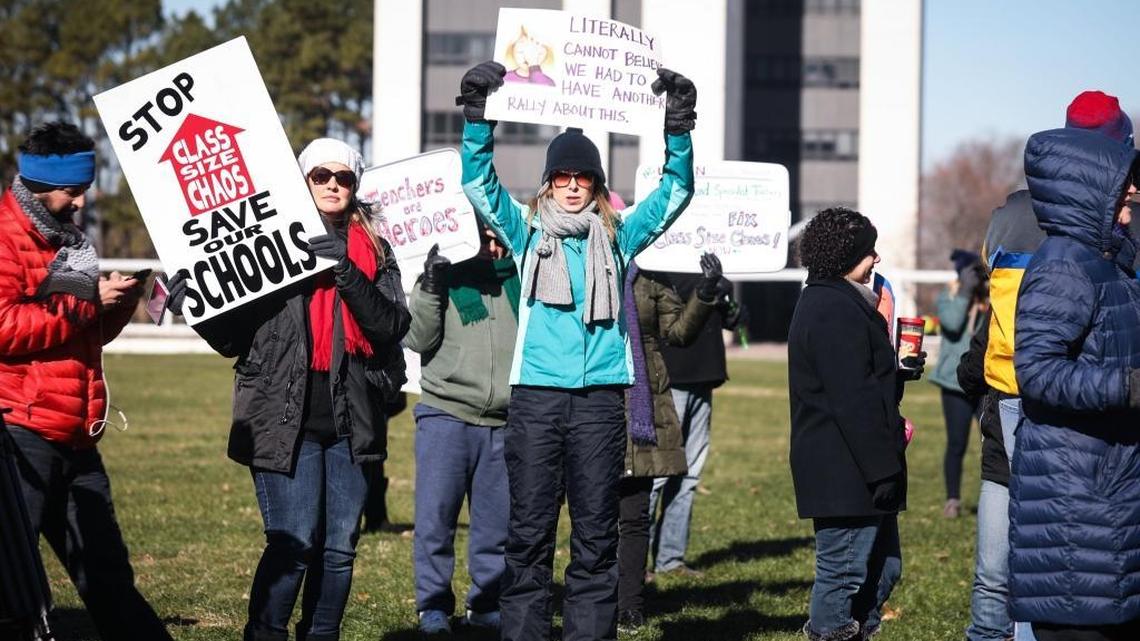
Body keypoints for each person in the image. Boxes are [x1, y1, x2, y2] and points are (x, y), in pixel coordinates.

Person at [455, 60, 697, 641]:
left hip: (597, 405)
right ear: (547, 182)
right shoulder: (525, 232)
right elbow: (478, 181)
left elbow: (677, 190)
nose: (570, 184)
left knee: (596, 539)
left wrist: (679, 126)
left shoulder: (619, 237)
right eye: (560, 175)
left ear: (593, 184)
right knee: (529, 537)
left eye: (581, 177)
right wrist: (477, 115)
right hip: (537, 401)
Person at [168, 138, 410, 641]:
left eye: (342, 177)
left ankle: (321, 635)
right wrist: (197, 307)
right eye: (319, 175)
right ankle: (265, 633)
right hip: (283, 415)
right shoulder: (264, 240)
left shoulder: (376, 250)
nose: (331, 185)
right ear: (302, 182)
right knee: (293, 542)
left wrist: (345, 269)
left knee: (340, 546)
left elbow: (389, 325)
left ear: (355, 185)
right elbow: (234, 339)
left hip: (352, 418)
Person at [965, 91, 1132, 641]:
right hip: (1061, 416)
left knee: (1016, 537)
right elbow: (1043, 359)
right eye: (1125, 166)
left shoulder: (1012, 214)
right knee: (1048, 561)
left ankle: (996, 629)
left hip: (1011, 394)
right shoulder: (1078, 255)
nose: (1133, 188)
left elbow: (995, 309)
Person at [0, 121, 171, 641]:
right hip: (21, 433)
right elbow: (4, 327)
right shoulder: (5, 237)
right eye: (72, 192)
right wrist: (83, 304)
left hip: (78, 430)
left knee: (108, 575)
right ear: (37, 184)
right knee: (12, 588)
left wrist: (117, 306)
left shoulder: (70, 240)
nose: (80, 204)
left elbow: (83, 333)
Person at [1008, 118, 1140, 639]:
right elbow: (1036, 371)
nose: (1134, 189)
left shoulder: (1110, 261)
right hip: (1077, 495)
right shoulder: (1064, 267)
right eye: (1124, 178)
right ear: (1091, 188)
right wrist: (1127, 387)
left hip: (1108, 487)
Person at [788, 207, 923, 641]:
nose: (877, 260)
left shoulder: (844, 303)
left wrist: (897, 372)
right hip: (845, 472)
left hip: (863, 467)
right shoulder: (831, 308)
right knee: (844, 576)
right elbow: (852, 401)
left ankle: (857, 631)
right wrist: (882, 469)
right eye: (869, 251)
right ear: (848, 256)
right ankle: (829, 632)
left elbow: (860, 381)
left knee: (885, 570)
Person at [404, 227, 519, 636]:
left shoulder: (518, 279)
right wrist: (431, 285)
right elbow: (417, 338)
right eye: (482, 237)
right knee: (436, 520)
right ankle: (433, 606)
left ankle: (486, 604)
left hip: (503, 423)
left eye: (496, 236)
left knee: (496, 525)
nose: (491, 246)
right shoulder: (440, 277)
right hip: (445, 415)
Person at [616, 253, 719, 632]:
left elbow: (678, 332)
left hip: (643, 405)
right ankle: (593, 595)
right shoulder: (577, 266)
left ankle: (630, 604)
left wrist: (705, 292)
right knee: (593, 514)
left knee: (634, 511)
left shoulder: (648, 277)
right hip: (594, 401)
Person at [646, 257, 743, 579]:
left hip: (703, 375)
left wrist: (730, 309)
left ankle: (670, 559)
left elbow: (727, 314)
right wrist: (712, 285)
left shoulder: (708, 261)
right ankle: (632, 562)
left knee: (688, 474)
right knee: (657, 475)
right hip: (670, 377)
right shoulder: (657, 259)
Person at [930, 249, 988, 518]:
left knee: (991, 442)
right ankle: (952, 499)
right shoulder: (950, 295)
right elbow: (952, 325)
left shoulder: (989, 298)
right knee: (957, 443)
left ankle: (994, 496)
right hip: (954, 383)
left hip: (985, 382)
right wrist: (965, 292)